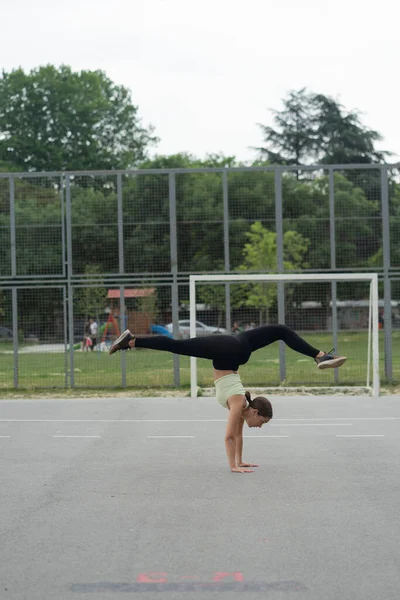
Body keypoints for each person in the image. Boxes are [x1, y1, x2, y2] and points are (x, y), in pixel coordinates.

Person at [109, 325, 347, 473]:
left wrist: (241, 461)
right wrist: (232, 466)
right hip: (229, 350)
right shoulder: (238, 401)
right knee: (177, 346)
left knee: (281, 331)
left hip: (236, 348)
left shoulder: (243, 405)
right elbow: (229, 436)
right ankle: (131, 341)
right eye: (262, 422)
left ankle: (320, 356)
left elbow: (239, 434)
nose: (260, 427)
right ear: (254, 412)